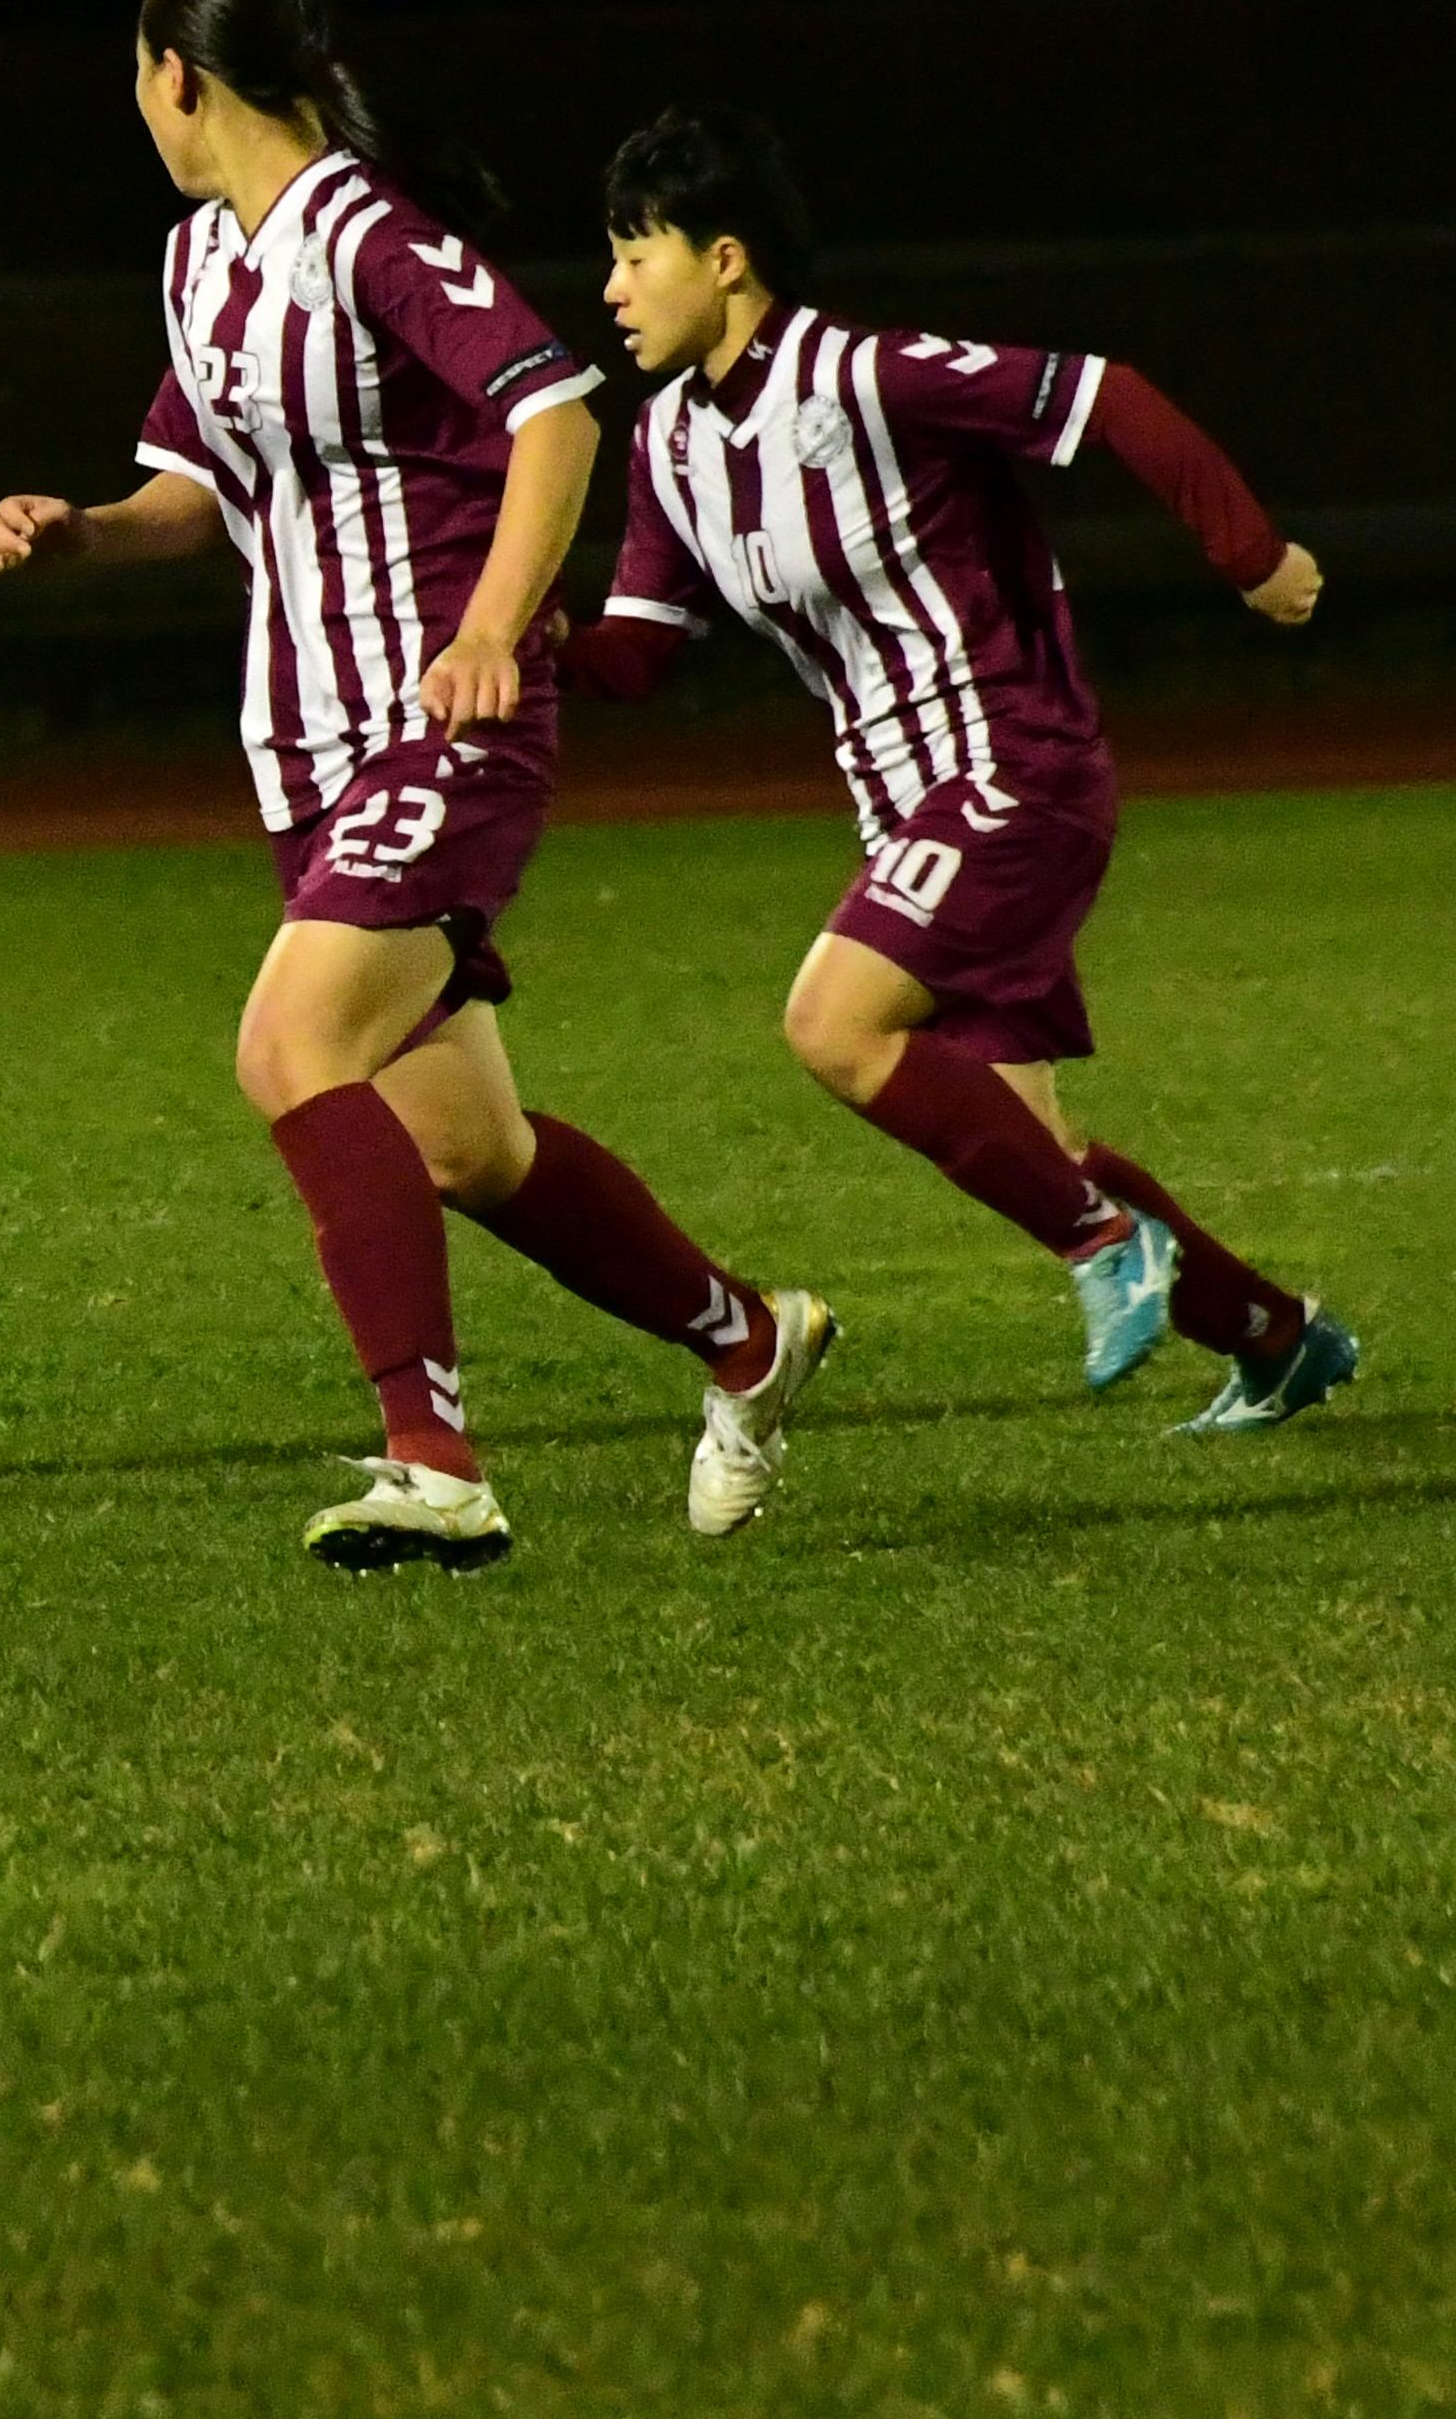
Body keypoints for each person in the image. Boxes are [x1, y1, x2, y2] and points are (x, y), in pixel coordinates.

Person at [0, 0, 833, 1567]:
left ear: (178, 75)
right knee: (465, 1147)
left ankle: (433, 1464)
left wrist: (494, 630)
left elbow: (556, 410)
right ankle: (745, 1337)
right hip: (306, 760)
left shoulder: (363, 233)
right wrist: (84, 530)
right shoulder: (198, 263)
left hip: (437, 730)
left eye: (136, 72)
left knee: (288, 1045)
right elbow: (196, 493)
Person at [573, 106, 1359, 1434]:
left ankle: (1108, 1248)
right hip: (905, 810)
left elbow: (1107, 394)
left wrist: (1251, 553)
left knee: (833, 1024)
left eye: (632, 253)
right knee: (1030, 1147)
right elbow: (641, 650)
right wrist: (513, 645)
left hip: (1011, 764)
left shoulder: (866, 377)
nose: (608, 289)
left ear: (724, 259)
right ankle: (1275, 1339)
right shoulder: (670, 444)